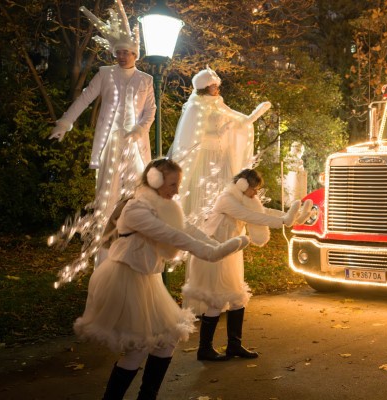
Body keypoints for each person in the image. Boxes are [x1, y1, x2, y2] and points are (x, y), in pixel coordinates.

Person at [74, 158, 251, 399]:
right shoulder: (135, 209)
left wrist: (218, 245)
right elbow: (173, 235)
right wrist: (212, 253)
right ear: (154, 180)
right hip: (126, 280)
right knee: (138, 349)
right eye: (172, 184)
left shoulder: (162, 206)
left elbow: (186, 228)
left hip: (148, 281)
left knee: (166, 342)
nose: (176, 190)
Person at [48, 0, 156, 265]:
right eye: (118, 51)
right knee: (107, 197)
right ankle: (104, 256)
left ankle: (136, 250)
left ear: (135, 54)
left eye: (127, 52)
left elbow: (150, 111)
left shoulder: (146, 80)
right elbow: (84, 99)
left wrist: (139, 129)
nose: (121, 56)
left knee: (137, 195)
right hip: (111, 145)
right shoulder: (105, 74)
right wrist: (65, 123)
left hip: (135, 147)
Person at [182, 168, 313, 361]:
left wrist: (288, 217)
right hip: (213, 254)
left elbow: (262, 211)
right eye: (254, 188)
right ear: (242, 185)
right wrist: (281, 222)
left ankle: (234, 345)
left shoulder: (246, 200)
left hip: (230, 254)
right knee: (217, 301)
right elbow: (249, 216)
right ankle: (205, 349)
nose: (256, 193)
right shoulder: (226, 199)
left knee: (237, 299)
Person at [167, 66, 271, 223]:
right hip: (204, 158)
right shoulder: (196, 107)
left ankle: (221, 227)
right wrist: (218, 133)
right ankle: (199, 226)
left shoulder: (219, 104)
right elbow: (194, 136)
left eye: (217, 85)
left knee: (222, 192)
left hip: (221, 157)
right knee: (202, 193)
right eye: (213, 86)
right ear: (204, 87)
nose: (217, 89)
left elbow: (238, 121)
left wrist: (254, 115)